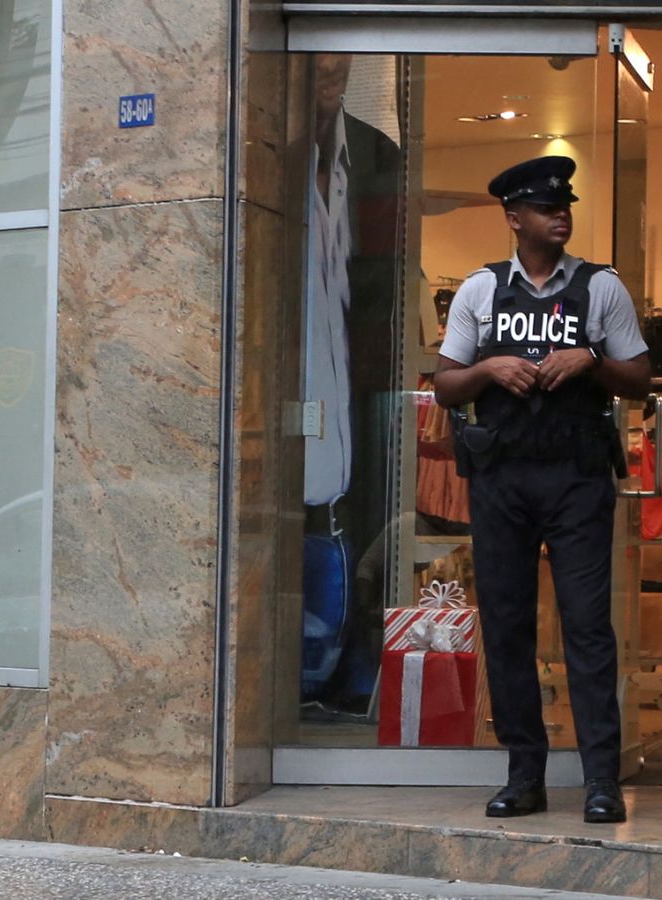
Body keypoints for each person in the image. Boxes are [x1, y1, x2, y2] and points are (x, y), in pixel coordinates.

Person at [433, 156, 651, 825]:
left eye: (566, 208)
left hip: (577, 476)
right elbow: (444, 383)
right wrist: (491, 368)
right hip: (502, 477)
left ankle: (600, 781)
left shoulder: (599, 288)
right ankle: (523, 774)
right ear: (513, 219)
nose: (561, 215)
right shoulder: (480, 290)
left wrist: (592, 360)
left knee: (588, 628)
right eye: (546, 208)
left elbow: (640, 377)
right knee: (507, 625)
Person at [299, 53, 403, 714]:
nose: (332, 59)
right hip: (289, 445)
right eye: (318, 44)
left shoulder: (367, 156)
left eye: (344, 44)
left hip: (341, 434)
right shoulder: (264, 151)